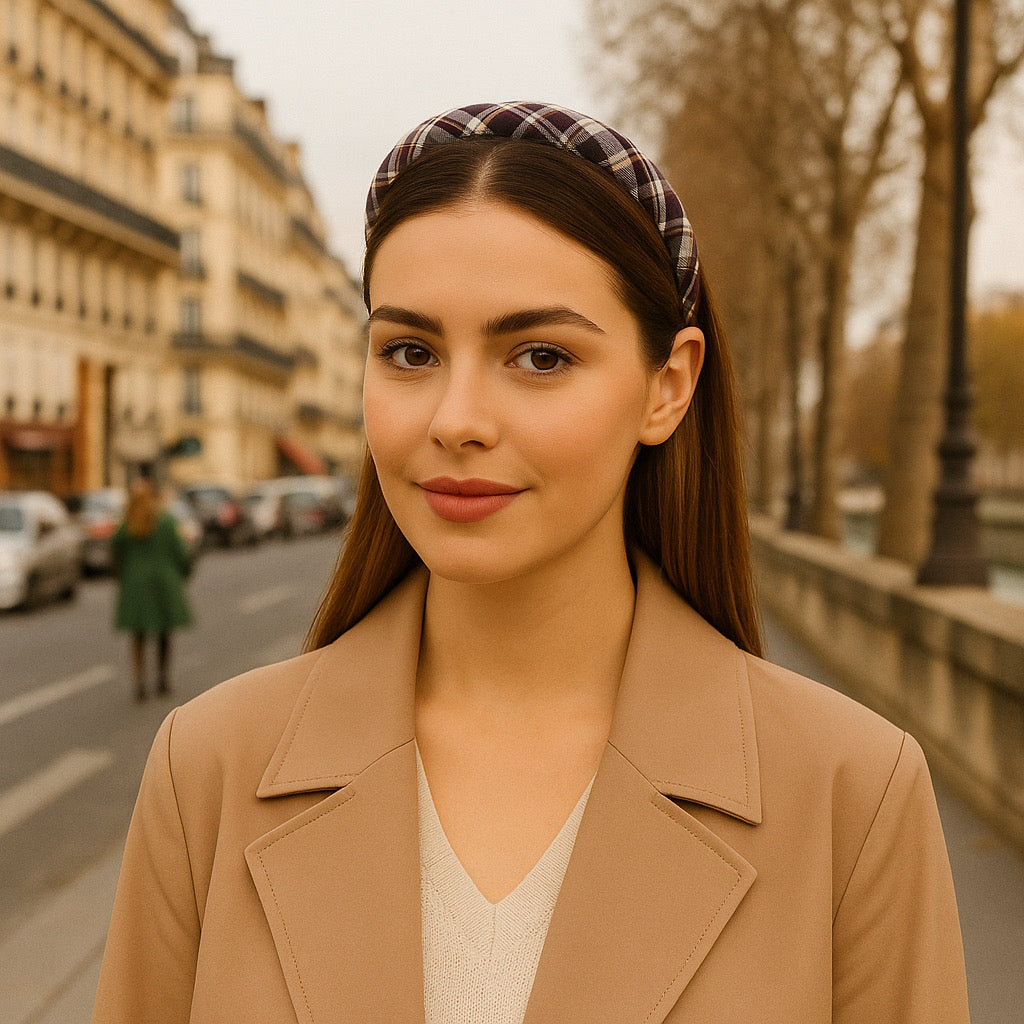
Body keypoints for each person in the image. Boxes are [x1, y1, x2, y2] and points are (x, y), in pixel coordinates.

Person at [92, 103, 969, 1023]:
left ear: (668, 386)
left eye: (540, 356)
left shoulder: (852, 796)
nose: (455, 418)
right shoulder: (209, 772)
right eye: (410, 351)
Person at [111, 477, 192, 701]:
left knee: (138, 636)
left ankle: (140, 681)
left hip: (136, 585)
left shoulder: (127, 524)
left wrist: (123, 576)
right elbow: (180, 553)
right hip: (163, 584)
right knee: (164, 634)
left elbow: (115, 554)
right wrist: (183, 573)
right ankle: (162, 678)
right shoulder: (166, 521)